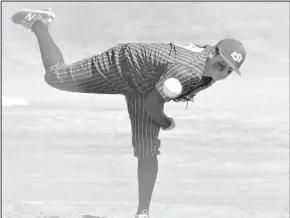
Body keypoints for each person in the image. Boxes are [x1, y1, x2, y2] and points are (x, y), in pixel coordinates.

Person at [11, 8, 246, 218]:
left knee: (147, 150)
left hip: (147, 86)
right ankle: (38, 22)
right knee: (57, 77)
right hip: (123, 65)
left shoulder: (207, 67)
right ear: (213, 52)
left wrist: (161, 104)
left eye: (229, 70)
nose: (223, 71)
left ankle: (142, 213)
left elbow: (157, 94)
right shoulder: (190, 72)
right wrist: (166, 123)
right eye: (221, 64)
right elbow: (152, 107)